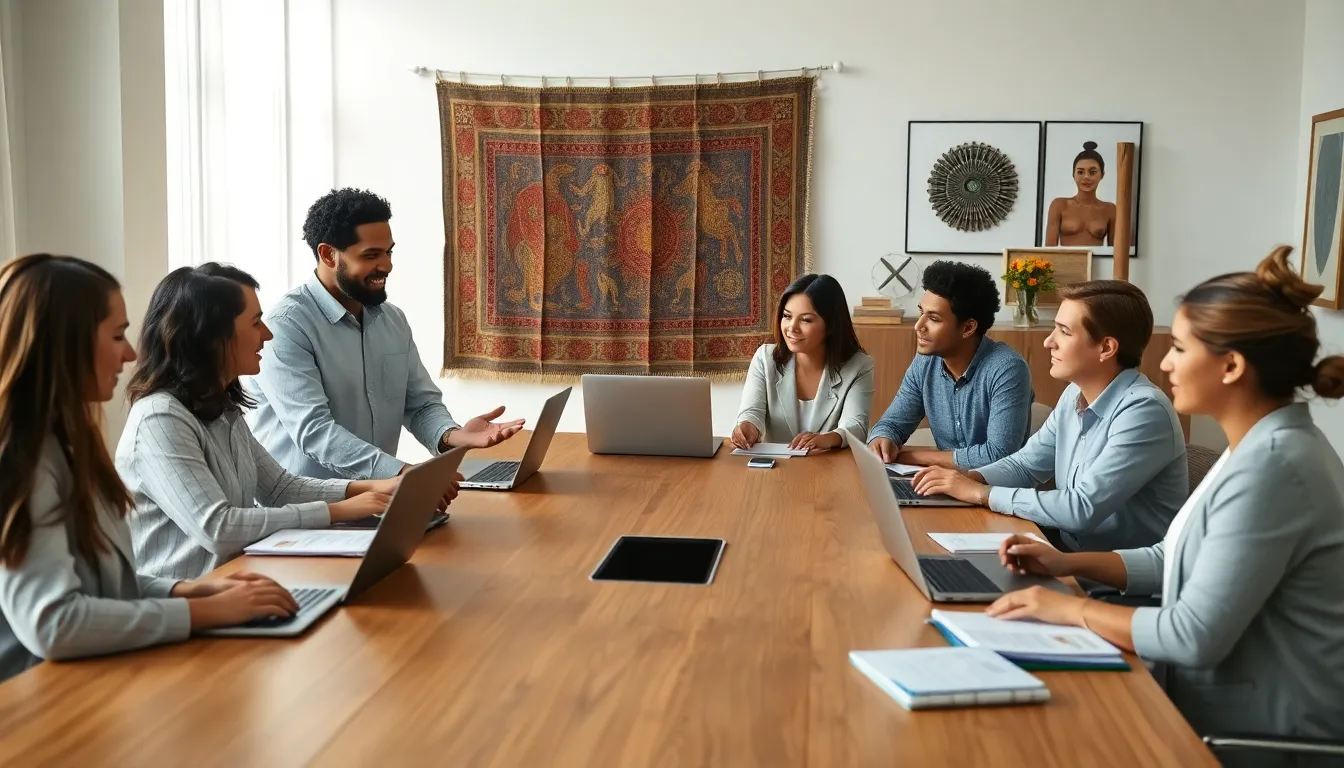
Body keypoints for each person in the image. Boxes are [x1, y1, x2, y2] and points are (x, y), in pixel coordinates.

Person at [984, 246, 1344, 751]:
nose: (1166, 362)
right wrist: (1065, 562)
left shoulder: (1275, 468)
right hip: (1209, 699)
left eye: (1179, 347)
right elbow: (1171, 559)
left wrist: (1065, 609)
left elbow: (1190, 635)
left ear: (1232, 365)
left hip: (1262, 736)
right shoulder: (1263, 447)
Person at [0, 254, 300, 682]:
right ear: (66, 343)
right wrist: (202, 610)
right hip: (39, 699)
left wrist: (189, 589)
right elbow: (55, 623)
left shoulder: (67, 443)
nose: (129, 353)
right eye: (117, 335)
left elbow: (104, 584)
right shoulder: (23, 461)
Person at [118, 264, 442, 581]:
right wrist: (341, 510)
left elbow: (280, 489)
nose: (268, 333)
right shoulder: (159, 418)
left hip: (237, 587)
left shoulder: (221, 406)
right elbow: (218, 529)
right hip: (186, 609)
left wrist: (375, 487)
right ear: (213, 335)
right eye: (256, 322)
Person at [248, 188, 523, 481]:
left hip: (380, 502)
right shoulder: (285, 327)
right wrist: (404, 474)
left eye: (389, 252)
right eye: (371, 255)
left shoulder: (392, 320)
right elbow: (315, 434)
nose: (387, 265)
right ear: (328, 254)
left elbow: (420, 405)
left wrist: (453, 436)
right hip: (307, 515)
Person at [913, 280, 1186, 552]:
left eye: (1064, 332)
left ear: (1106, 348)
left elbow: (1081, 509)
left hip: (1116, 582)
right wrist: (970, 479)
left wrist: (981, 494)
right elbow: (1026, 466)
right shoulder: (1073, 395)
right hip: (1064, 553)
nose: (1048, 342)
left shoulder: (1144, 411)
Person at [866, 261, 1032, 469]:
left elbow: (998, 455)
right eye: (921, 313)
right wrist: (882, 439)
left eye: (934, 318)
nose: (919, 326)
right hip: (943, 483)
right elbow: (892, 423)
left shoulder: (1007, 368)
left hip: (995, 491)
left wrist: (913, 456)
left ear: (968, 327)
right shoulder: (924, 364)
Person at [731, 274, 873, 452]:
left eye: (806, 319)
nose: (792, 327)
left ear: (831, 325)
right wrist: (747, 427)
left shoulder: (859, 365)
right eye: (787, 316)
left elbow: (856, 426)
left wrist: (826, 439)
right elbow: (752, 412)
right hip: (776, 470)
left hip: (828, 469)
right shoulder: (765, 358)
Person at [1044, 141, 1116, 248]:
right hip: (1066, 263)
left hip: (1099, 264)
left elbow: (1115, 252)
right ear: (1073, 174)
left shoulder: (1110, 209)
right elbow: (1049, 250)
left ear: (1102, 174)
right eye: (1080, 172)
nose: (1086, 177)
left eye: (1092, 172)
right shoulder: (1059, 205)